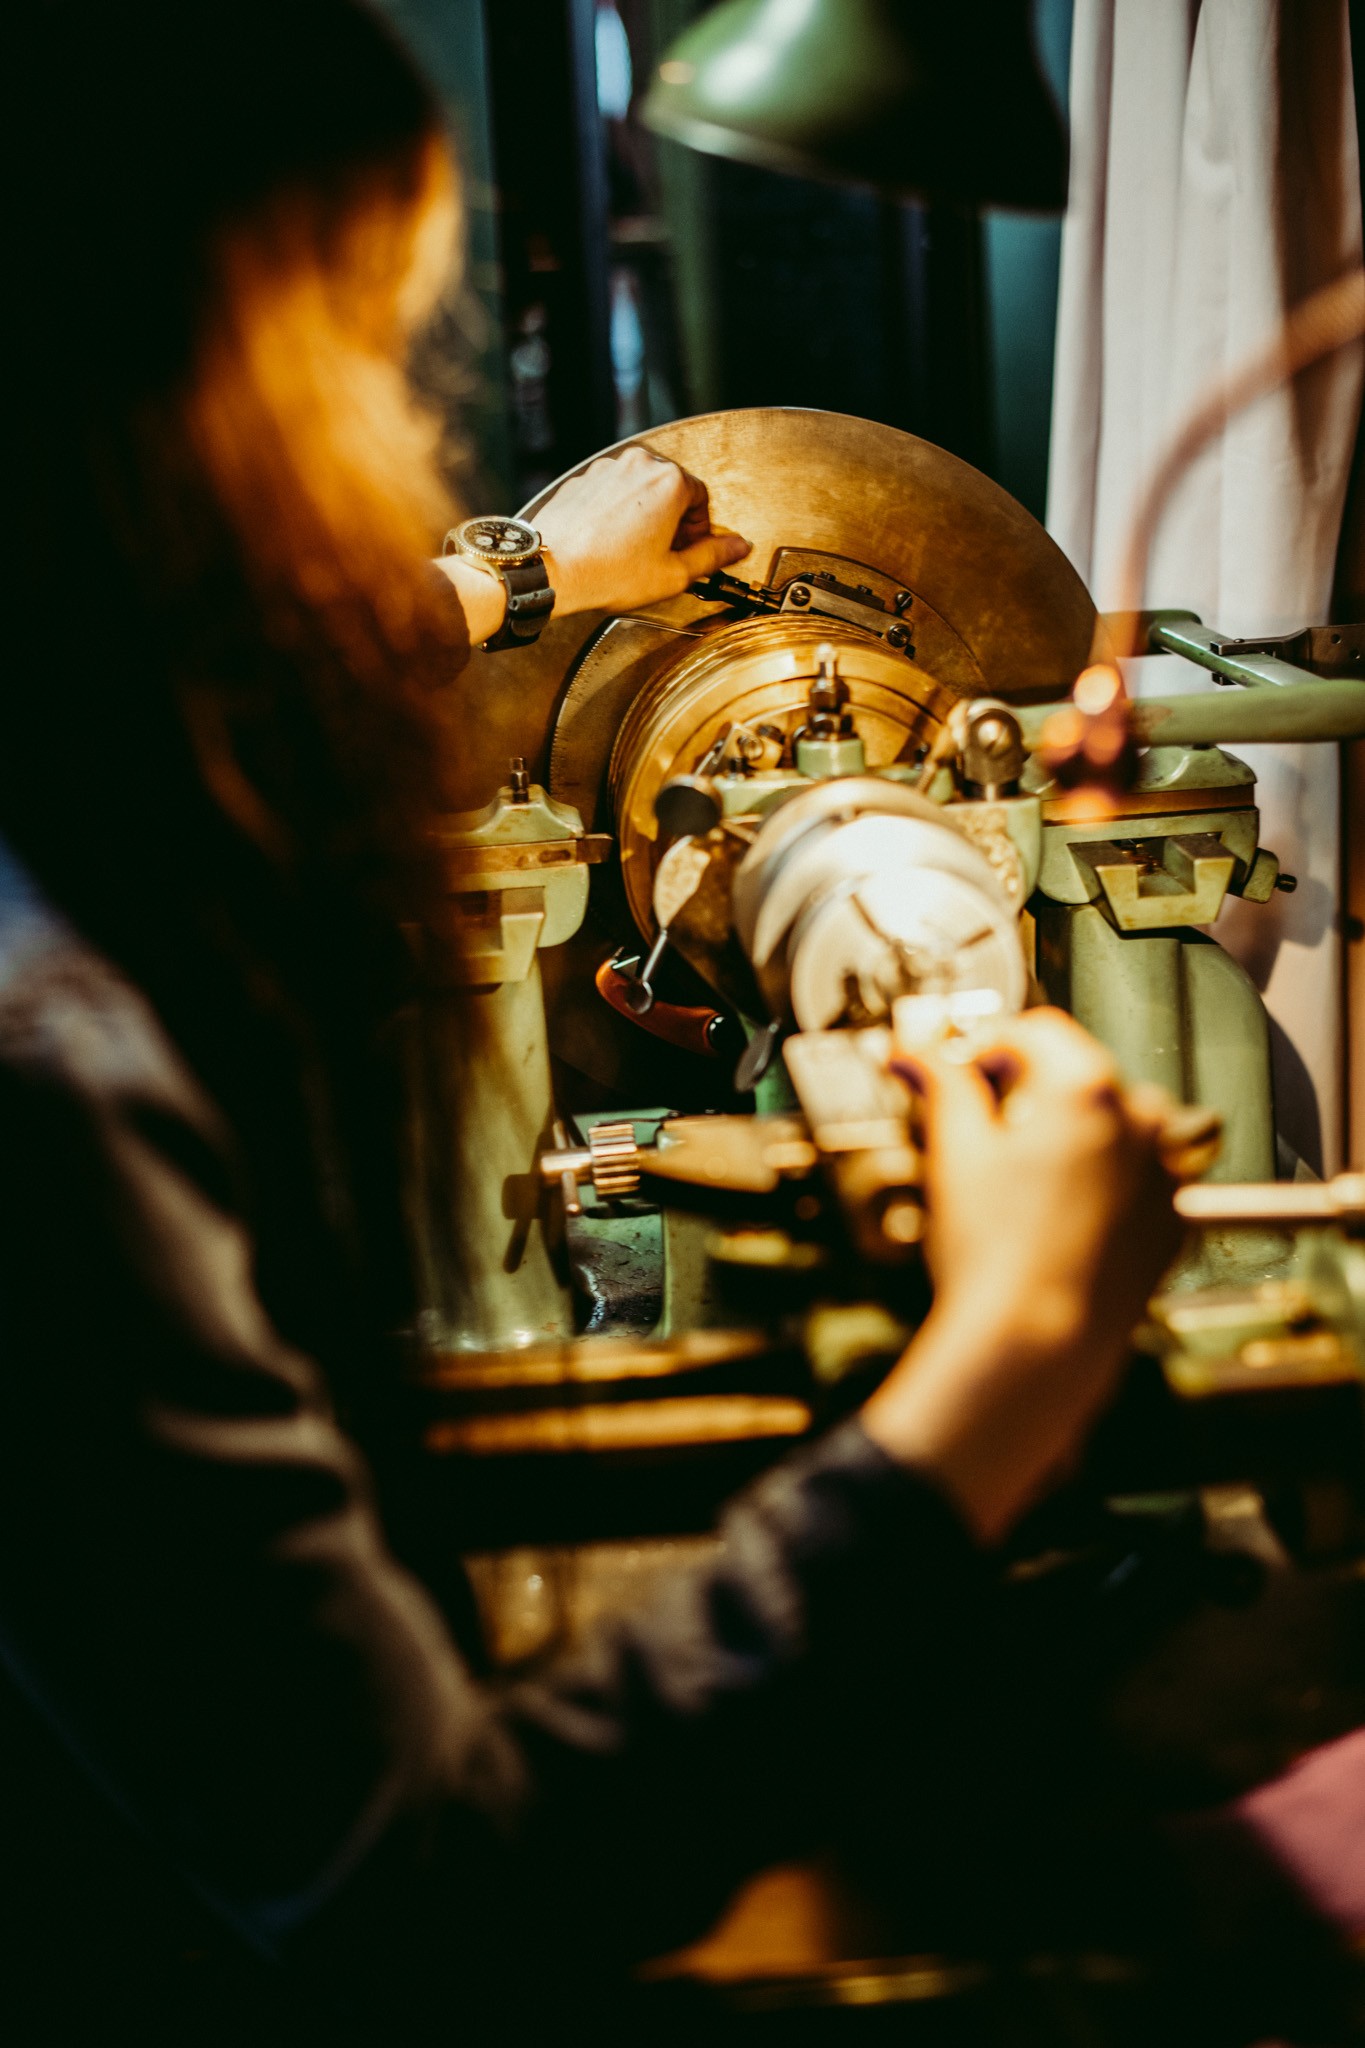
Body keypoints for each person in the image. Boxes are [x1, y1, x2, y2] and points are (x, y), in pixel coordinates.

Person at [3, 4, 1357, 2042]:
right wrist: (1001, 1360)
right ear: (204, 403)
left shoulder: (63, 738)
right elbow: (420, 1898)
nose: (387, 417)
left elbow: (170, 662)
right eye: (358, 353)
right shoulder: (52, 1082)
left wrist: (528, 579)